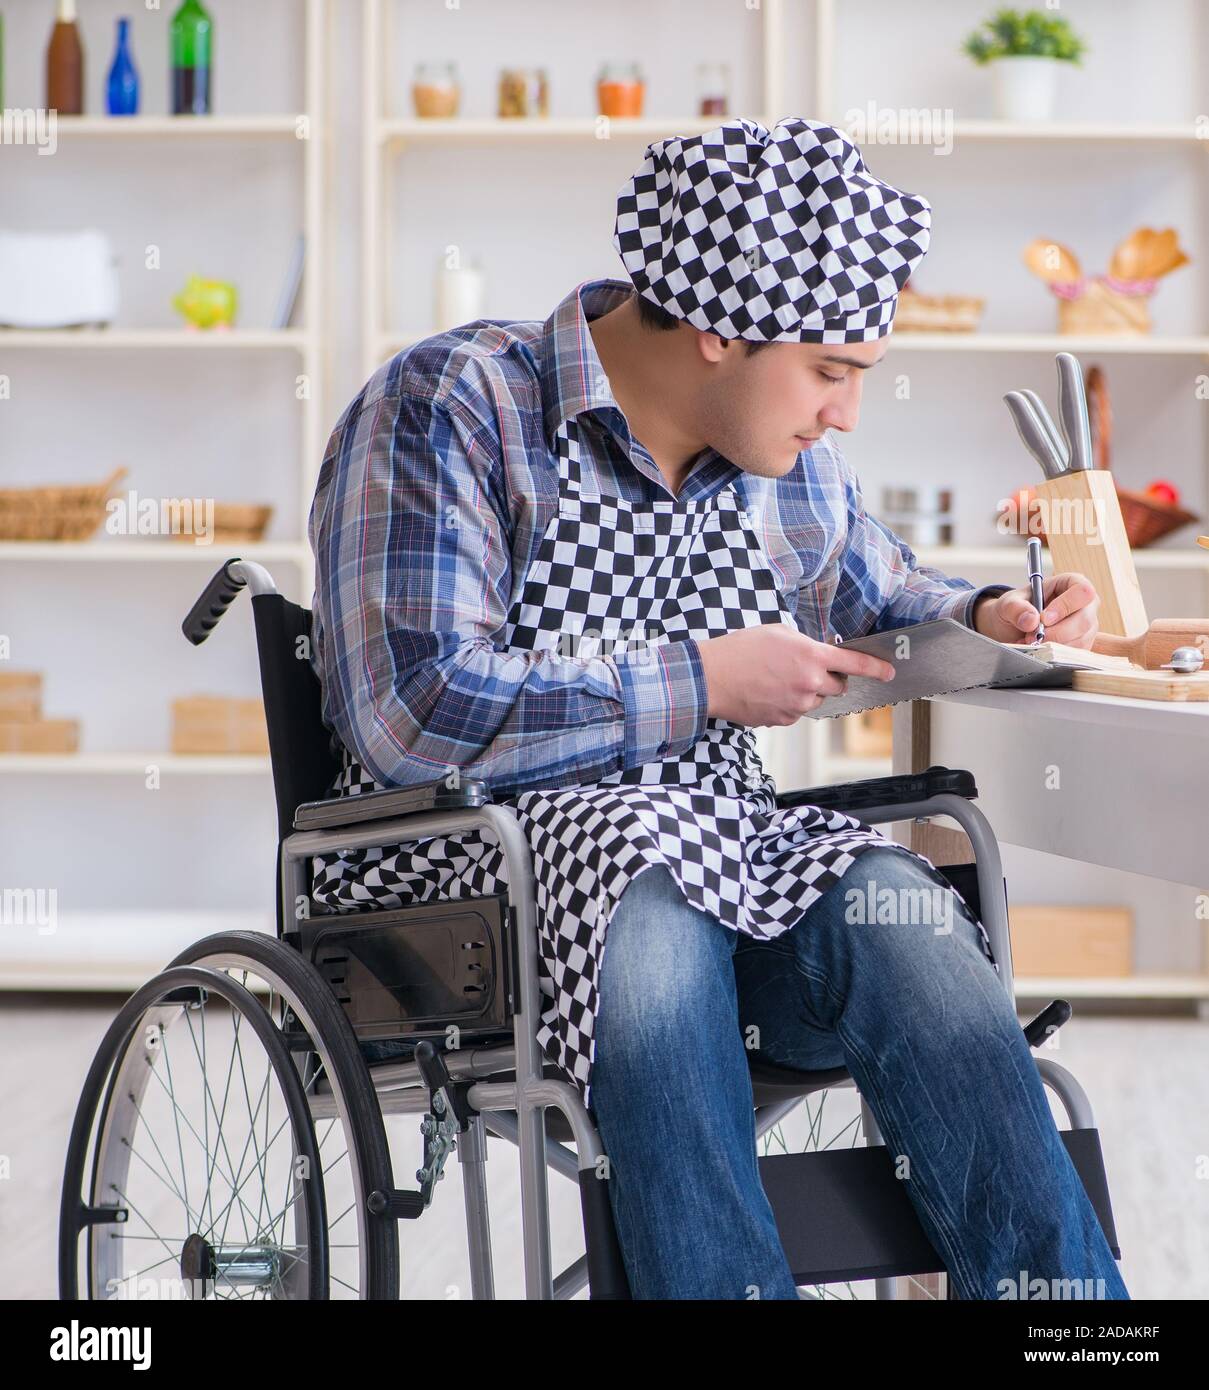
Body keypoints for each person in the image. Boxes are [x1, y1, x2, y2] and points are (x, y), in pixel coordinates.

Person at [307, 116, 1123, 1299]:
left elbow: (887, 596)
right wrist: (700, 682)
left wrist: (997, 612)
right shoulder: (457, 405)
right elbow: (412, 715)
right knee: (648, 874)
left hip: (715, 898)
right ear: (714, 330)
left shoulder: (784, 468)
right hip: (466, 907)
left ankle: (1073, 1317)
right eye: (831, 371)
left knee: (896, 900)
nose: (846, 413)